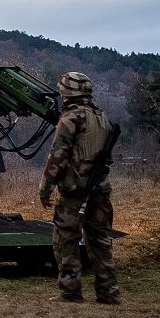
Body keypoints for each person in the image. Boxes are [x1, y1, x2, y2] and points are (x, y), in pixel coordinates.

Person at [39, 70, 120, 304]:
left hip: (75, 191)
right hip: (100, 189)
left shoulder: (69, 120)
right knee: (100, 240)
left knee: (66, 240)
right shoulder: (102, 117)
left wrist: (45, 189)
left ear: (66, 93)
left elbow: (57, 158)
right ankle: (109, 293)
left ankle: (70, 292)